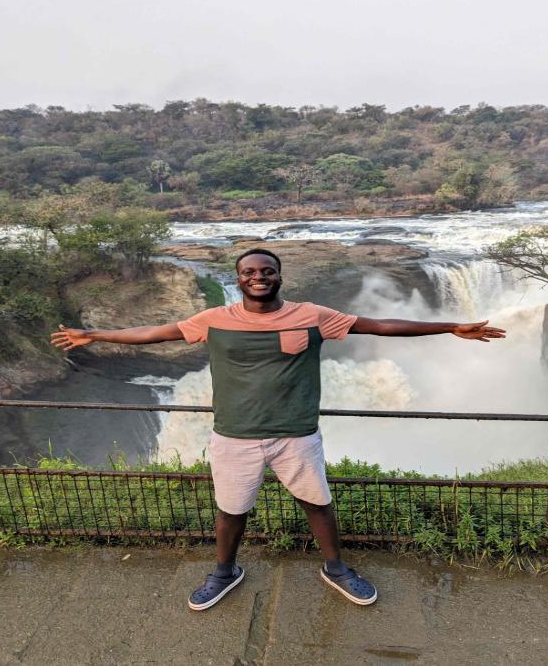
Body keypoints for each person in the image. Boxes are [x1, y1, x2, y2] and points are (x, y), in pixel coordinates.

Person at [51, 248, 505, 610]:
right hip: (234, 435)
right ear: (240, 277)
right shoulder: (213, 320)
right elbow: (154, 333)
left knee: (317, 503)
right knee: (231, 511)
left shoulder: (313, 315)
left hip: (296, 434)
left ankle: (335, 568)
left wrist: (449, 327)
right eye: (249, 271)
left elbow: (381, 326)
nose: (258, 276)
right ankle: (225, 572)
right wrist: (95, 334)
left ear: (279, 276)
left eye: (266, 270)